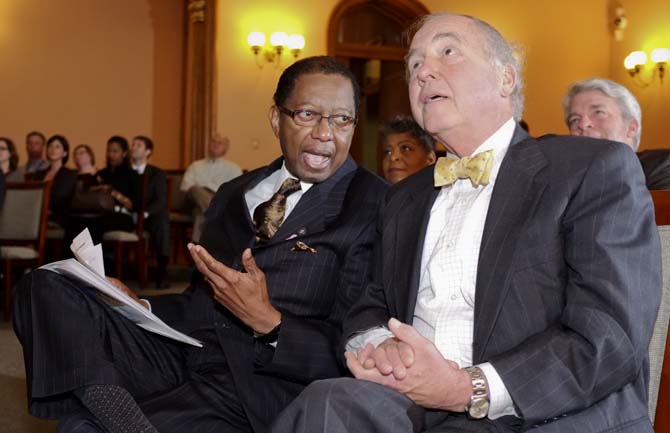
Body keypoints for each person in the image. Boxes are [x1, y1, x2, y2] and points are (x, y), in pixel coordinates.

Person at [272, 13, 661, 433]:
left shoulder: (590, 169)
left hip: (541, 412)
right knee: (325, 404)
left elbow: (608, 334)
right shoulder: (403, 198)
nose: (423, 72)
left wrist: (466, 387)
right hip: (413, 404)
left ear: (505, 79)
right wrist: (378, 345)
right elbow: (370, 303)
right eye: (414, 64)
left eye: (448, 51)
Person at [13, 55, 387, 433]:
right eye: (308, 114)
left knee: (81, 429)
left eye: (342, 119)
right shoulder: (233, 192)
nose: (326, 133)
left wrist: (270, 323)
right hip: (183, 351)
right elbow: (199, 299)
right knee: (47, 284)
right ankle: (119, 416)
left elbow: (354, 348)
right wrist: (135, 302)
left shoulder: (374, 207)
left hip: (253, 387)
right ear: (276, 118)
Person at [564, 77, 670, 190]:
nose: (582, 124)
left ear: (631, 128)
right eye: (575, 119)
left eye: (598, 112)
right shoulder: (561, 181)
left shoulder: (661, 168)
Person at [180, 133, 242, 242]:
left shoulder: (234, 168)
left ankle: (199, 248)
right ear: (208, 145)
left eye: (220, 143)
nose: (216, 145)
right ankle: (214, 211)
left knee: (200, 213)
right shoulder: (196, 165)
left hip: (216, 201)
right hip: (193, 200)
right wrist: (203, 191)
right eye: (213, 142)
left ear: (226, 147)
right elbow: (185, 187)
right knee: (195, 189)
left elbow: (237, 192)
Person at [128, 135, 171, 288]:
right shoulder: (124, 171)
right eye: (132, 144)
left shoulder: (157, 173)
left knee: (161, 220)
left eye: (138, 145)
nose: (133, 147)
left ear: (147, 151)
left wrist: (144, 214)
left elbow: (160, 200)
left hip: (148, 215)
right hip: (126, 214)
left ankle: (162, 271)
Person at [32, 134, 77, 226]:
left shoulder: (69, 174)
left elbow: (61, 197)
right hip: (36, 213)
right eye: (50, 146)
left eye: (57, 147)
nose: (53, 149)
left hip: (57, 215)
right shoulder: (38, 174)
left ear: (64, 153)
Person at [380, 114, 436, 184]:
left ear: (430, 159)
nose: (393, 157)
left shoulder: (446, 194)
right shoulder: (375, 193)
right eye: (387, 152)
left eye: (405, 148)